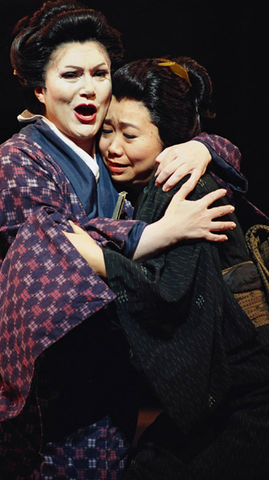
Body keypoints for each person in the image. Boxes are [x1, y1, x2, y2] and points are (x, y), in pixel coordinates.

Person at [0, 2, 244, 478]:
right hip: (24, 380)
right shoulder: (17, 161)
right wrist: (155, 234)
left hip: (104, 380)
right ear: (40, 88)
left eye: (100, 73)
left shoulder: (113, 157)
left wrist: (201, 146)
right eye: (71, 75)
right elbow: (52, 247)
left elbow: (214, 154)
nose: (88, 87)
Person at [65, 56, 269, 479]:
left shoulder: (175, 186)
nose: (113, 147)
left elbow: (167, 297)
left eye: (129, 134)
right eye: (107, 130)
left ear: (172, 142)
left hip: (248, 404)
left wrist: (102, 262)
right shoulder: (169, 176)